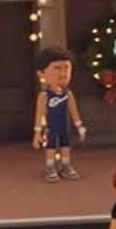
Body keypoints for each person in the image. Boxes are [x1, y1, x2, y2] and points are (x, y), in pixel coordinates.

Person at [32, 47, 86, 181]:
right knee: (51, 147)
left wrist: (80, 127)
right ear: (41, 74)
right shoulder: (44, 96)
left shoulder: (68, 94)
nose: (63, 72)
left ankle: (66, 165)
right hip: (50, 127)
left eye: (66, 68)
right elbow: (40, 114)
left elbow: (73, 111)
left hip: (64, 126)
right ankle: (50, 166)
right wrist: (38, 132)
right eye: (57, 68)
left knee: (65, 146)